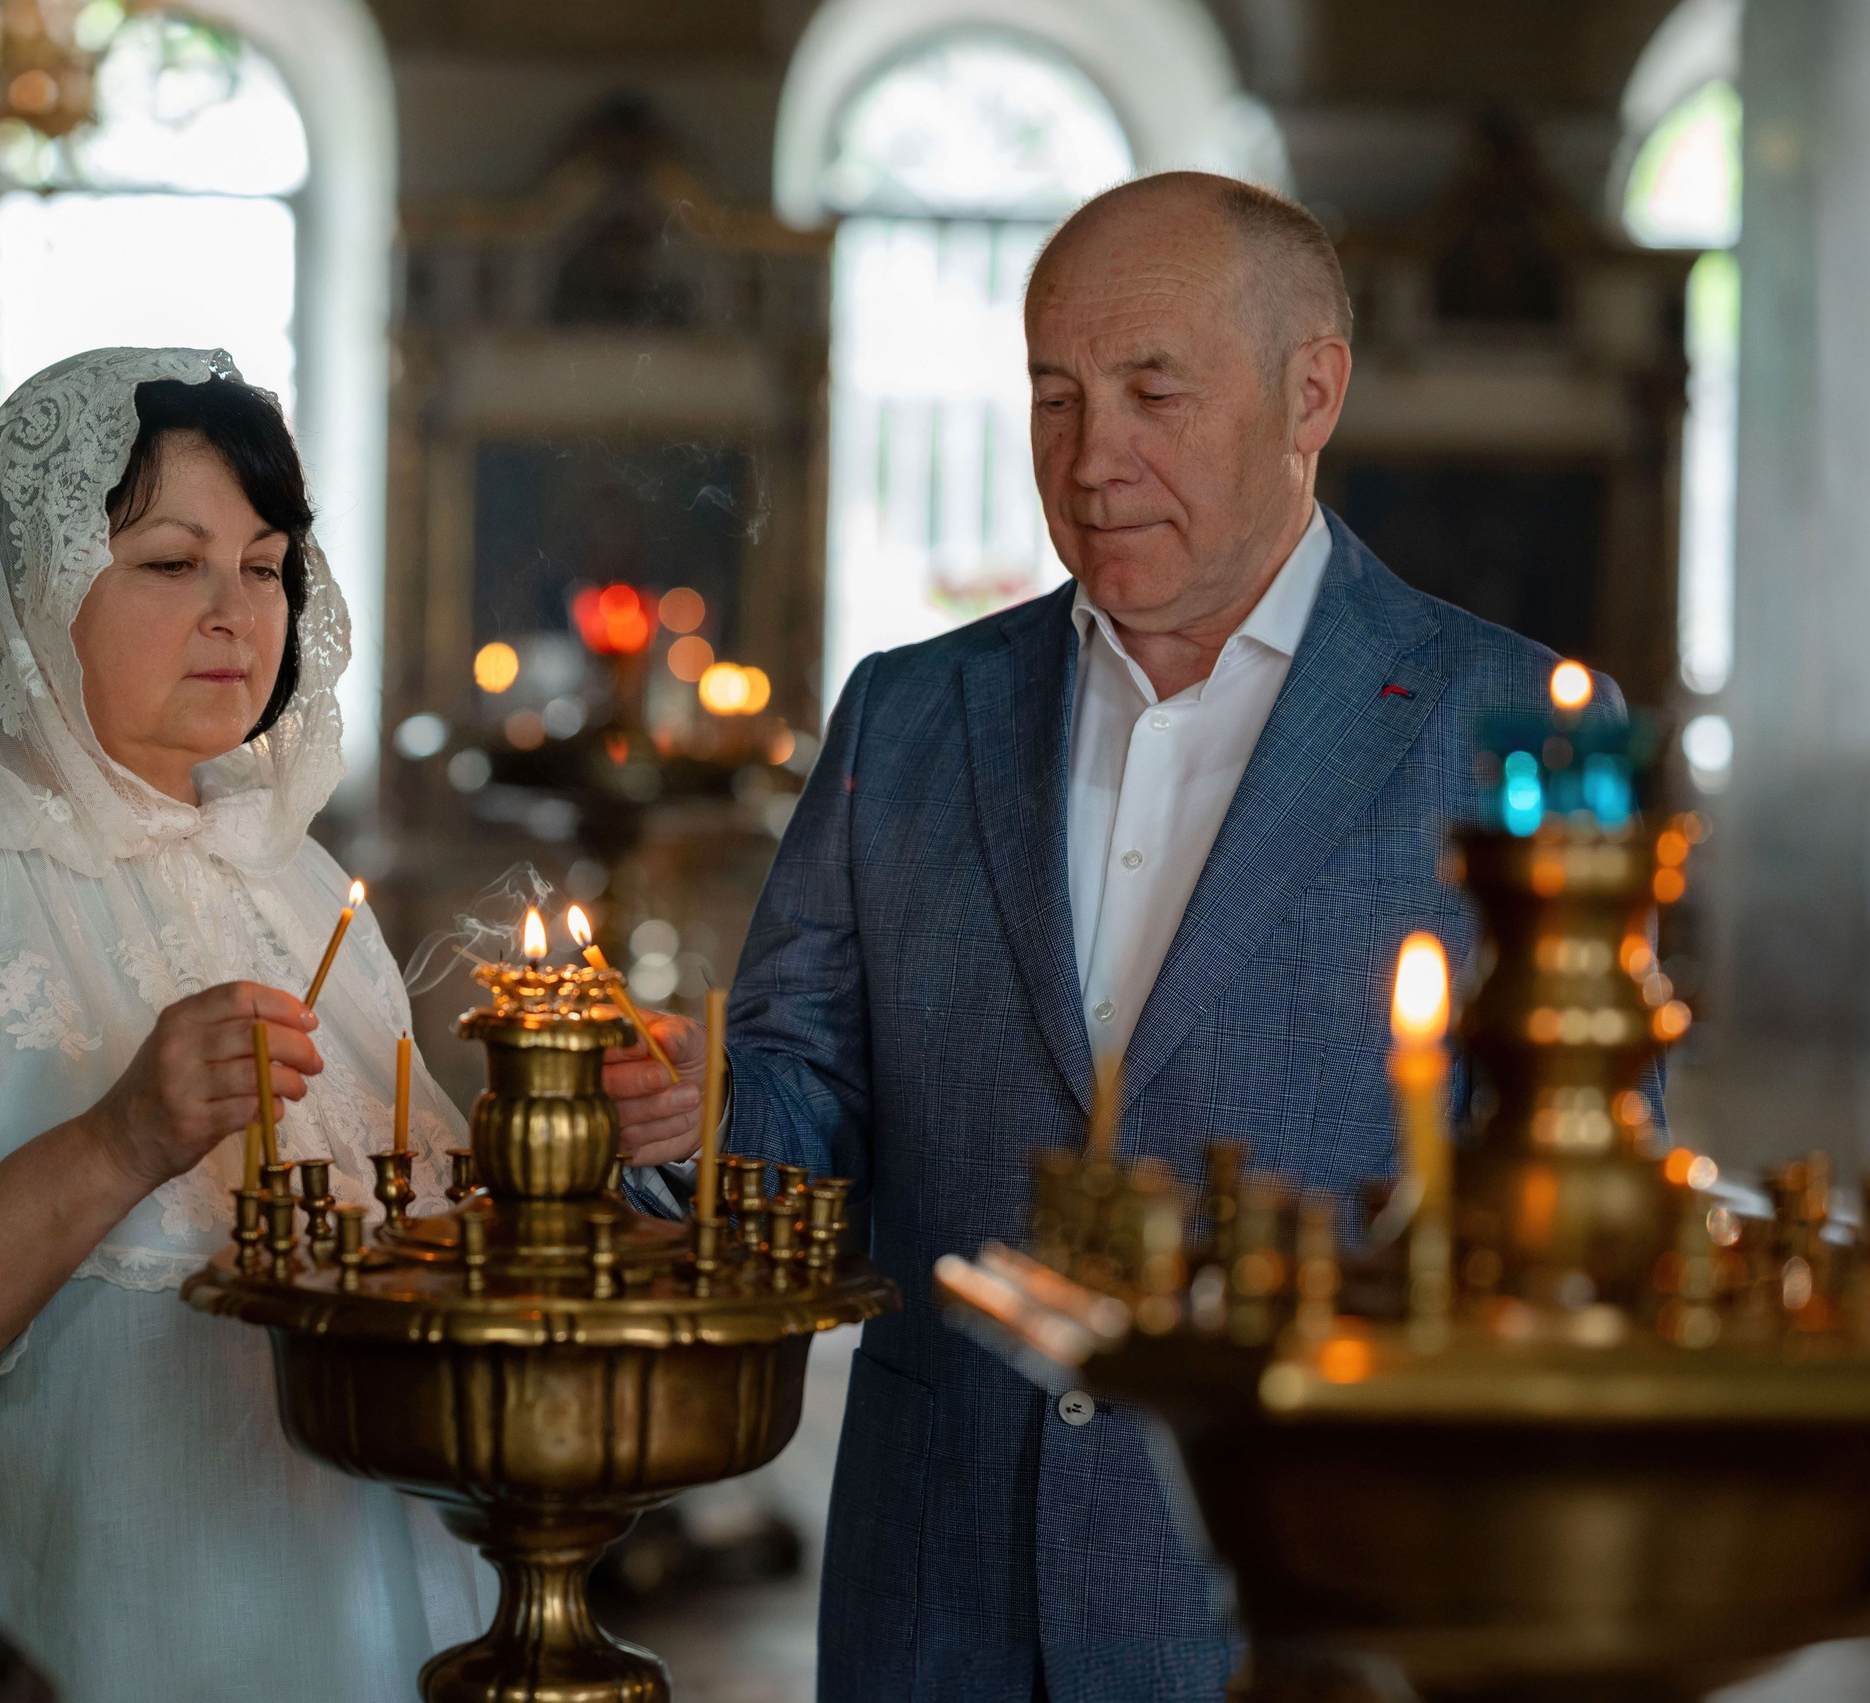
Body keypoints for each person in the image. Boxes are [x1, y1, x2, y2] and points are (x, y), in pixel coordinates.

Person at [611, 172, 1633, 1700]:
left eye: (1155, 393)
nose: (1092, 460)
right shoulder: (910, 713)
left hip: (1303, 1594)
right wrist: (698, 1117)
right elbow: (804, 1102)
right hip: (934, 1587)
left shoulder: (1508, 726)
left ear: (1311, 393)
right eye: (1055, 397)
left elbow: (1580, 1200)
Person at [0, 348, 683, 1700]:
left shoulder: (290, 882)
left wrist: (563, 1147)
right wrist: (118, 1140)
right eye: (173, 563)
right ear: (29, 588)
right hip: (81, 1630)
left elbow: (395, 1265)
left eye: (267, 566)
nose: (237, 614)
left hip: (370, 1621)